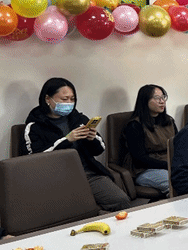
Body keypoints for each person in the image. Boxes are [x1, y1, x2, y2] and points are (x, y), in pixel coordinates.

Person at [22, 77, 132, 211]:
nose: (69, 103)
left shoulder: (78, 119)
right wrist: (66, 140)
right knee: (77, 211)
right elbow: (33, 160)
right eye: (64, 99)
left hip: (87, 173)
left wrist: (92, 138)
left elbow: (100, 149)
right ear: (47, 99)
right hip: (55, 179)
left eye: (72, 99)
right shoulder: (34, 126)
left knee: (121, 201)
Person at [121, 84, 176, 196]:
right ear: (145, 101)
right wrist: (168, 165)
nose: (162, 101)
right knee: (175, 182)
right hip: (145, 170)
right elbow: (140, 159)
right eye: (157, 98)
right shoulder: (135, 125)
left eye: (163, 97)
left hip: (170, 165)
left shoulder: (169, 120)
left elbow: (179, 145)